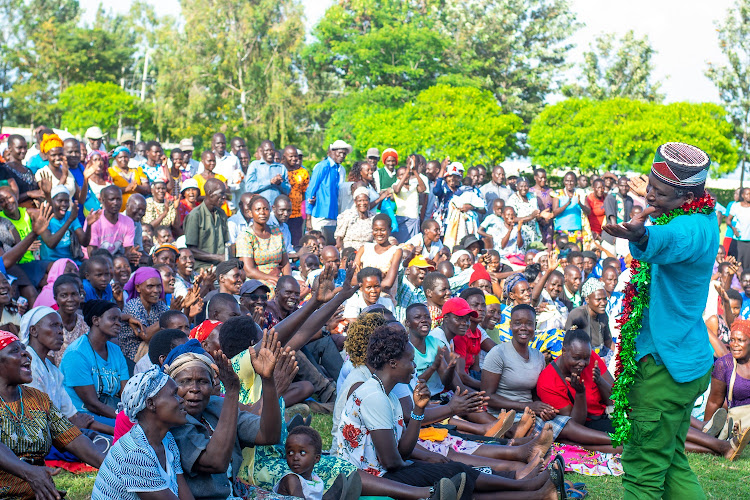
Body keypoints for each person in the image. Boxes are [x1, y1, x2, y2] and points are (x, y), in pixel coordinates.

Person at [602, 142, 721, 498]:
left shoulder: (692, 229)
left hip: (663, 369)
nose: (650, 193)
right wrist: (655, 199)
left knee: (642, 473)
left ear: (687, 197)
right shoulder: (698, 211)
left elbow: (669, 237)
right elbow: (667, 218)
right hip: (684, 362)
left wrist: (640, 233)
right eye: (650, 184)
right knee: (670, 464)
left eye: (660, 191)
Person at [0, 331, 104, 498]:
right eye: (14, 351)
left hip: (40, 493)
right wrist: (30, 473)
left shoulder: (38, 399)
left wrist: (110, 465)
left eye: (24, 348)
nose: (26, 353)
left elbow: (72, 438)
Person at [92, 366, 194, 499]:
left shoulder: (167, 440)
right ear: (151, 403)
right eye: (174, 394)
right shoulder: (135, 453)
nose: (181, 400)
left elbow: (183, 492)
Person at [21, 306, 114, 435]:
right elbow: (41, 422)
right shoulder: (28, 366)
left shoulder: (52, 370)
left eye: (60, 327)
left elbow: (73, 416)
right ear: (34, 330)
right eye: (54, 325)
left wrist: (120, 432)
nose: (60, 331)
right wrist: (72, 424)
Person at [61, 300, 130, 427]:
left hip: (109, 411)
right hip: (82, 416)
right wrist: (125, 418)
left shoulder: (115, 350)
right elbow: (92, 404)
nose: (118, 324)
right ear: (96, 320)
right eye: (112, 318)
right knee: (130, 430)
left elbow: (126, 393)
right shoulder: (76, 353)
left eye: (119, 320)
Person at [537, 329, 614, 433]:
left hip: (607, 414)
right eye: (576, 358)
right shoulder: (548, 381)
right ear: (564, 351)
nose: (582, 363)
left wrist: (599, 380)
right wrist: (580, 394)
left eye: (586, 358)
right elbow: (575, 425)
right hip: (587, 426)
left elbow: (613, 399)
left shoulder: (588, 355)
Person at [119, 267, 170, 366]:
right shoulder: (133, 305)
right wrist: (168, 316)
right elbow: (145, 335)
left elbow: (172, 324)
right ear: (138, 288)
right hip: (133, 354)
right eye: (150, 286)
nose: (156, 290)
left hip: (152, 348)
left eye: (159, 286)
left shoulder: (159, 305)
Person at [237, 195, 291, 288]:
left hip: (279, 277)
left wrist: (288, 280)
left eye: (265, 209)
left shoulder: (276, 232)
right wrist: (274, 279)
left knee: (303, 288)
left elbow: (285, 263)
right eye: (258, 209)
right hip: (257, 280)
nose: (262, 212)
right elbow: (249, 270)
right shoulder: (246, 236)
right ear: (250, 213)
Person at [306, 140, 351, 244]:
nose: (342, 155)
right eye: (339, 152)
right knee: (319, 243)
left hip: (335, 214)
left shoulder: (341, 169)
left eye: (344, 154)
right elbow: (310, 190)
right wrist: (308, 219)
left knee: (330, 244)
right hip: (320, 213)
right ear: (332, 151)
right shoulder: (323, 166)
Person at [38, 186, 99, 263]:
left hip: (71, 261)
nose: (64, 204)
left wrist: (89, 225)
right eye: (60, 201)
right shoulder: (45, 218)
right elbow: (51, 244)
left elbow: (84, 243)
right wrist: (69, 220)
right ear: (52, 201)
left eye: (67, 201)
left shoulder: (70, 215)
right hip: (51, 262)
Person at [184, 178, 230, 270]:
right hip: (203, 267)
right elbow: (191, 250)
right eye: (221, 193)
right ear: (209, 193)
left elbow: (226, 243)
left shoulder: (221, 214)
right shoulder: (195, 215)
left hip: (222, 266)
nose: (224, 197)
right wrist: (218, 257)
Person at [564, 278, 613, 362]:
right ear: (587, 300)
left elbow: (608, 341)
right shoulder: (577, 314)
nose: (603, 303)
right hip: (581, 359)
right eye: (598, 300)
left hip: (600, 356)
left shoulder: (603, 315)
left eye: (605, 299)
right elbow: (567, 344)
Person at [352, 213, 403, 292]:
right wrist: (380, 276)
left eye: (382, 230)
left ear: (390, 230)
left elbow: (388, 283)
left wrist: (365, 282)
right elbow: (353, 279)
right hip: (362, 298)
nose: (379, 233)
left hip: (384, 298)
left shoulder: (396, 251)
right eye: (376, 230)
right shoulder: (364, 248)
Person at [274, 426, 326, 499]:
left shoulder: (315, 479)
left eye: (302, 452)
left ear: (316, 458)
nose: (295, 458)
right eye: (290, 452)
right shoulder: (291, 479)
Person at [52, 273, 91, 365]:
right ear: (56, 299)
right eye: (64, 295)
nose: (70, 299)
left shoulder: (86, 323)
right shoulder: (50, 324)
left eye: (74, 294)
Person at [88, 185, 136, 257]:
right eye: (112, 199)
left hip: (113, 261)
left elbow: (128, 250)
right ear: (103, 201)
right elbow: (91, 252)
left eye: (118, 199)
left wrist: (131, 255)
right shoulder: (95, 218)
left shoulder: (128, 222)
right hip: (93, 261)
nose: (115, 203)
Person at [245, 139, 291, 205]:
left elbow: (287, 191)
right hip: (260, 207)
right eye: (266, 150)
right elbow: (249, 188)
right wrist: (269, 182)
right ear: (261, 152)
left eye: (271, 150)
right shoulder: (255, 165)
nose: (269, 152)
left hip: (277, 208)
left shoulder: (281, 167)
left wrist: (279, 184)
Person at [280, 144, 309, 245]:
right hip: (282, 213)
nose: (294, 159)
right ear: (284, 157)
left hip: (297, 213)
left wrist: (306, 214)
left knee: (297, 241)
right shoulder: (280, 170)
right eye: (291, 156)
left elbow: (306, 194)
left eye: (295, 156)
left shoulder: (303, 172)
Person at [34, 133, 78, 198]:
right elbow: (52, 197)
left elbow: (80, 198)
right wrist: (64, 176)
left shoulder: (66, 171)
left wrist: (86, 177)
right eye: (53, 155)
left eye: (60, 154)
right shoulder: (42, 173)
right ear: (46, 155)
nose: (57, 158)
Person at [108, 146, 150, 211]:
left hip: (138, 210)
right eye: (120, 157)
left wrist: (138, 187)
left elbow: (147, 188)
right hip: (119, 210)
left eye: (126, 157)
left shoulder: (137, 170)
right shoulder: (110, 171)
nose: (123, 159)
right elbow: (110, 191)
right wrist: (127, 189)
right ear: (115, 158)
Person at [394, 255, 434, 321]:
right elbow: (398, 274)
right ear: (407, 270)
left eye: (425, 270)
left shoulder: (423, 289)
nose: (423, 272)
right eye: (419, 268)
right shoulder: (402, 285)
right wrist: (404, 264)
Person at [508, 177, 542, 248]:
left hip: (534, 232)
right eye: (521, 186)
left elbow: (536, 213)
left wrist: (541, 215)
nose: (524, 188)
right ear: (517, 187)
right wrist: (530, 217)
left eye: (526, 186)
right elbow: (511, 219)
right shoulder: (513, 199)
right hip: (521, 234)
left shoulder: (532, 196)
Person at [552, 172, 584, 245]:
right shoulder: (557, 193)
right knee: (561, 254)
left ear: (575, 182)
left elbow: (588, 211)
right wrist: (567, 204)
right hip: (561, 229)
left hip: (576, 229)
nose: (569, 183)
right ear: (564, 181)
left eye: (572, 181)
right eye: (567, 180)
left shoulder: (579, 193)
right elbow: (554, 212)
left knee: (576, 253)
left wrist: (580, 204)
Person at [727, 187, 750, 267]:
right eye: (747, 194)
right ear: (743, 195)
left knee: (747, 266)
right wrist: (733, 229)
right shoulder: (736, 206)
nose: (749, 196)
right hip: (738, 241)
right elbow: (728, 220)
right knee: (736, 264)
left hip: (748, 242)